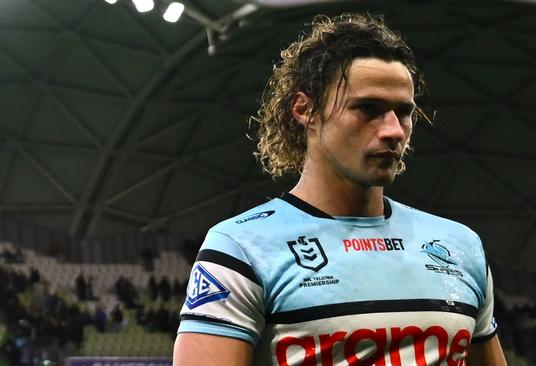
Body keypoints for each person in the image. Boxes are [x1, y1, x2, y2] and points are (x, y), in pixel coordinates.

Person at [174, 13, 506, 365]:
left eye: (403, 112)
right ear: (305, 110)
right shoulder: (241, 250)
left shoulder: (460, 247)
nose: (394, 130)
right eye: (369, 108)